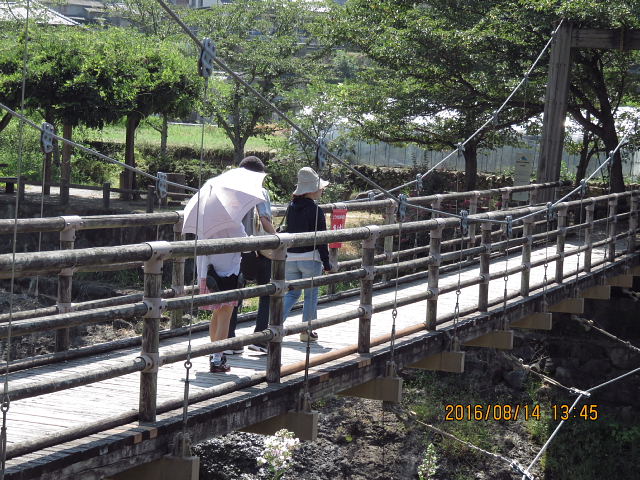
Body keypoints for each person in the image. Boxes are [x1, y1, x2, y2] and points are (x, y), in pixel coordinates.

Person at [196, 160, 268, 373]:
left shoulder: (205, 216)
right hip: (227, 273)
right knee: (226, 314)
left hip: (207, 271)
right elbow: (245, 244)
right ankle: (218, 358)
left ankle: (213, 354)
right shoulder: (232, 220)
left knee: (216, 314)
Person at [226, 156, 276, 355]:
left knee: (235, 295)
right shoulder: (259, 191)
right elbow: (265, 220)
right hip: (257, 250)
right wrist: (278, 239)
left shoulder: (230, 191)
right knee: (267, 293)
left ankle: (230, 340)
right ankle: (260, 338)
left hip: (235, 249)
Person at [281, 167, 332, 342]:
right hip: (310, 258)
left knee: (291, 294)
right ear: (311, 190)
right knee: (311, 295)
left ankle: (274, 325)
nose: (322, 189)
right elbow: (322, 239)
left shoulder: (291, 207)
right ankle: (306, 331)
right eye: (319, 187)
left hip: (291, 258)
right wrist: (326, 263)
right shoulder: (316, 211)